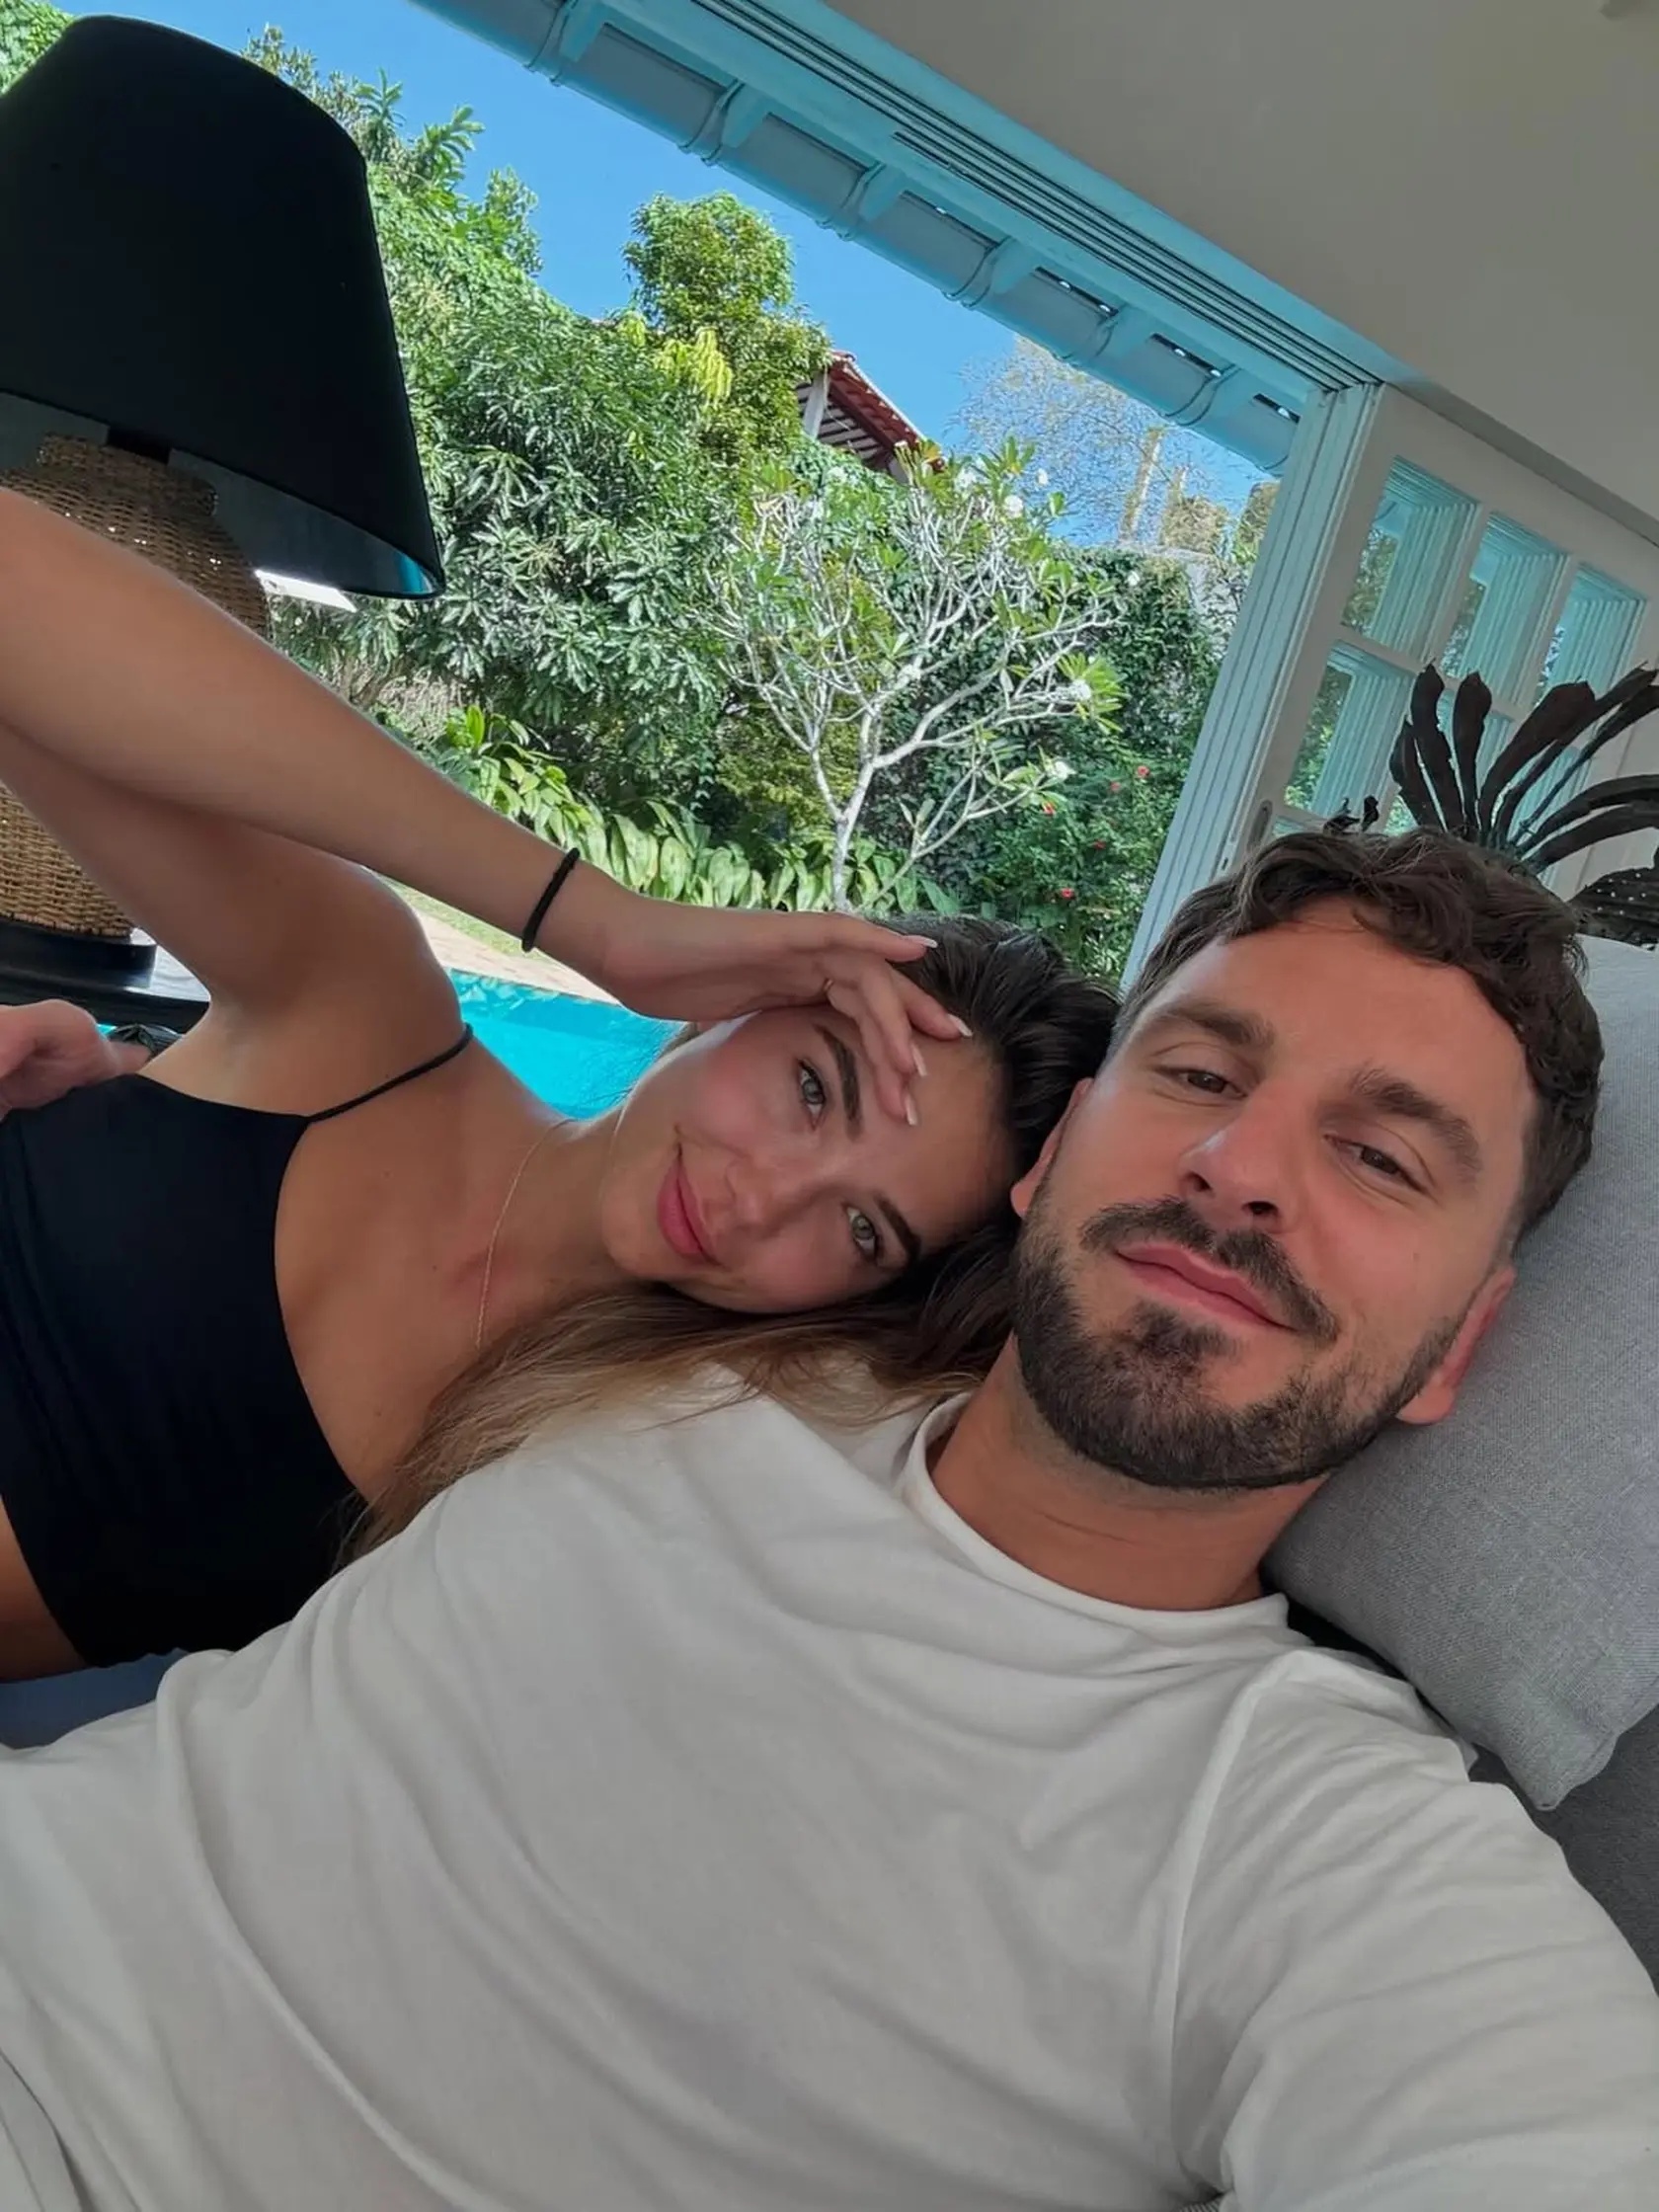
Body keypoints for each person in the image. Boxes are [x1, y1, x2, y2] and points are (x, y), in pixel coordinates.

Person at [0, 827, 1652, 2212]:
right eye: (1203, 1071)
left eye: (1381, 1157)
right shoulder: (729, 1345)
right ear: (1050, 1163)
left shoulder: (1328, 1857)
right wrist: (144, 1120)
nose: (1239, 1165)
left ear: (1462, 1348)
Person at [0, 488, 1114, 1677]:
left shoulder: (621, 1455)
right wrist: (594, 920)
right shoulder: (363, 1020)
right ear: (739, 1002)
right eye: (812, 1089)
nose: (762, 1198)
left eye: (860, 1228)